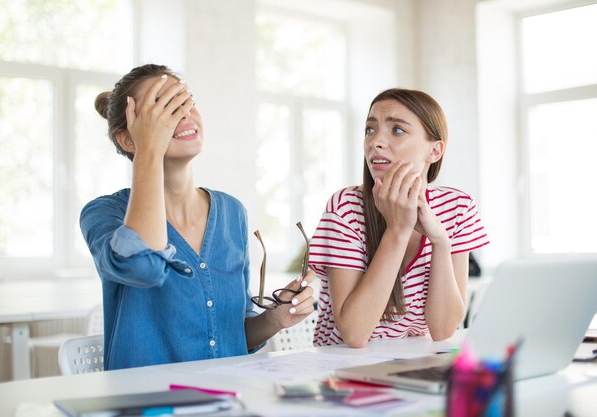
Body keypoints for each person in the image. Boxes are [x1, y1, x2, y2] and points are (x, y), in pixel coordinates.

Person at [80, 64, 315, 370]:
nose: (184, 115)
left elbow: (233, 336)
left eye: (185, 102)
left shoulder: (232, 212)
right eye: (163, 110)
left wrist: (274, 319)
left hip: (226, 400)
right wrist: (147, 150)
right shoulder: (104, 214)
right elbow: (143, 266)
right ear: (127, 139)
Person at [308, 88, 489, 348]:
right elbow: (355, 333)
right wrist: (397, 230)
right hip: (343, 369)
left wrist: (441, 242)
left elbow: (442, 329)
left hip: (412, 366)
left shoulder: (457, 207)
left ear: (435, 151)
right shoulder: (345, 207)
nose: (375, 142)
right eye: (370, 129)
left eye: (397, 130)